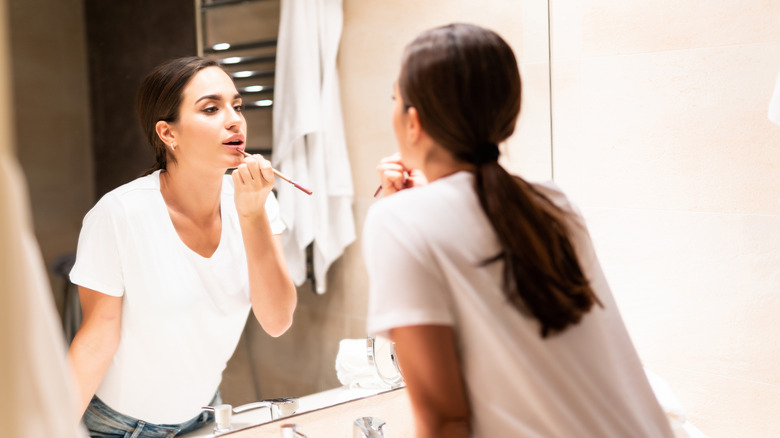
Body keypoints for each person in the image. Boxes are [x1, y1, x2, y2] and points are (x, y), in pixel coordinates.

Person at [363, 23, 674, 438]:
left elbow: (443, 418)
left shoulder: (400, 221)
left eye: (395, 99)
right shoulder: (553, 204)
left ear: (413, 121)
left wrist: (411, 208)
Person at [67, 56, 297, 437]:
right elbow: (96, 340)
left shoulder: (256, 202)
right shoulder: (120, 213)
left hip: (205, 414)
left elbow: (276, 320)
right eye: (211, 108)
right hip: (122, 427)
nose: (234, 119)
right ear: (167, 134)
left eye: (236, 106)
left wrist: (253, 215)